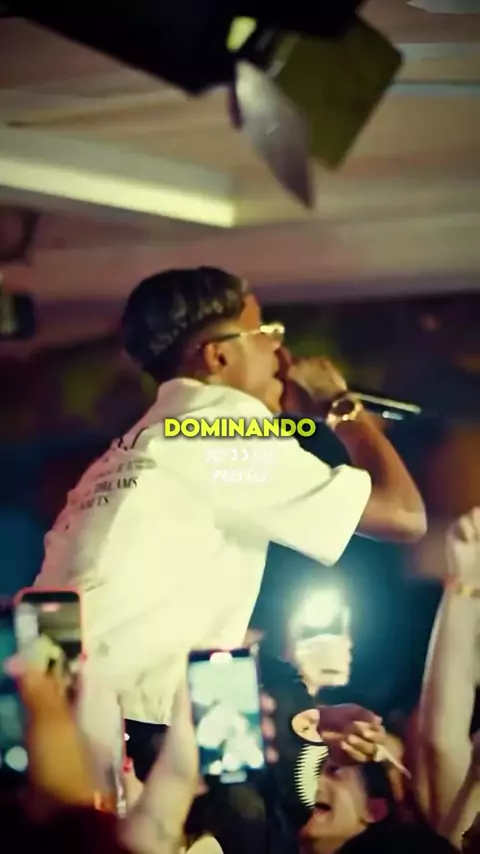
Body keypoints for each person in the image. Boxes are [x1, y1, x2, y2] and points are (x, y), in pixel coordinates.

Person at [33, 266, 426, 781]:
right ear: (218, 356)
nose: (282, 354)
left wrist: (305, 717)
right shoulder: (221, 432)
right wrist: (342, 409)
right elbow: (404, 514)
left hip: (73, 713)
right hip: (124, 726)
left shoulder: (152, 438)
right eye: (267, 334)